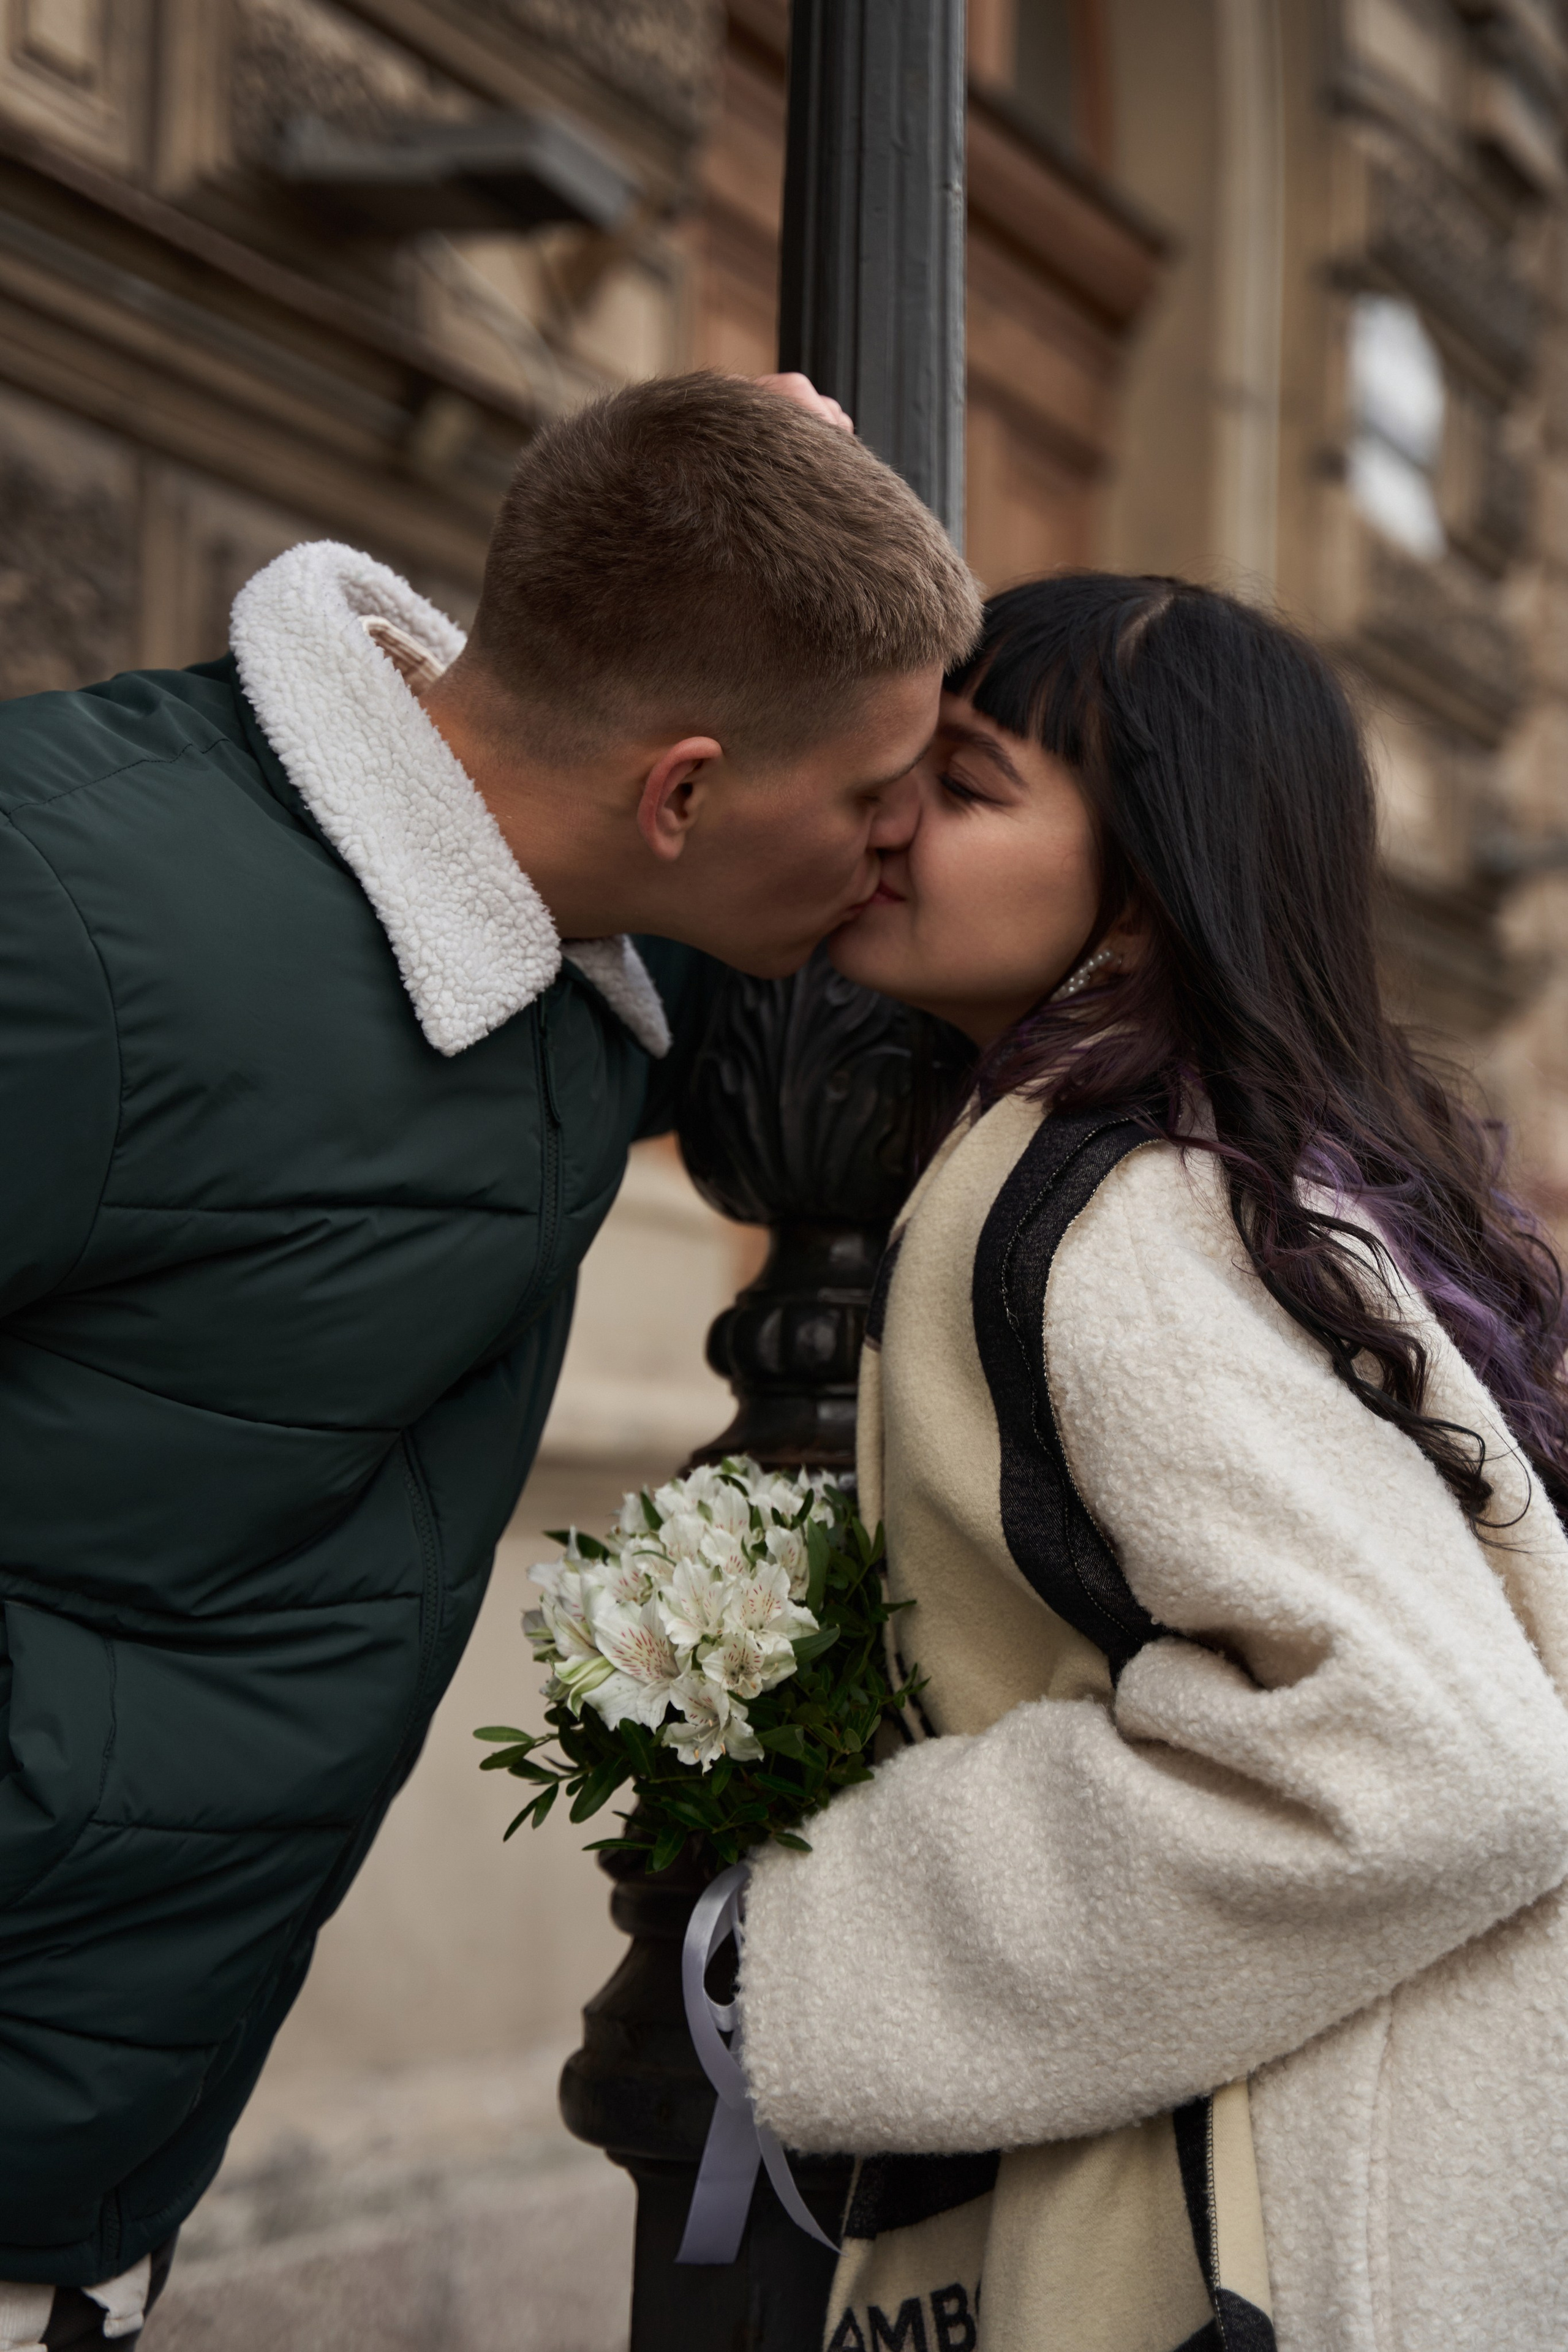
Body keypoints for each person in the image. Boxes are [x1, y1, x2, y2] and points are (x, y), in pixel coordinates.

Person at [0, 369, 979, 2342]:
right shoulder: (70, 913)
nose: (900, 852)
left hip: (99, 2131)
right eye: (879, 798)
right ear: (687, 792)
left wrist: (745, 476)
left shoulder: (575, 925)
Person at [733, 573, 1568, 2352]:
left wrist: (828, 1905)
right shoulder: (1228, 1166)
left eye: (959, 787)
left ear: (1149, 888)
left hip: (1246, 2195)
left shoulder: (1112, 1209)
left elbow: (1439, 1756)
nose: (886, 826)